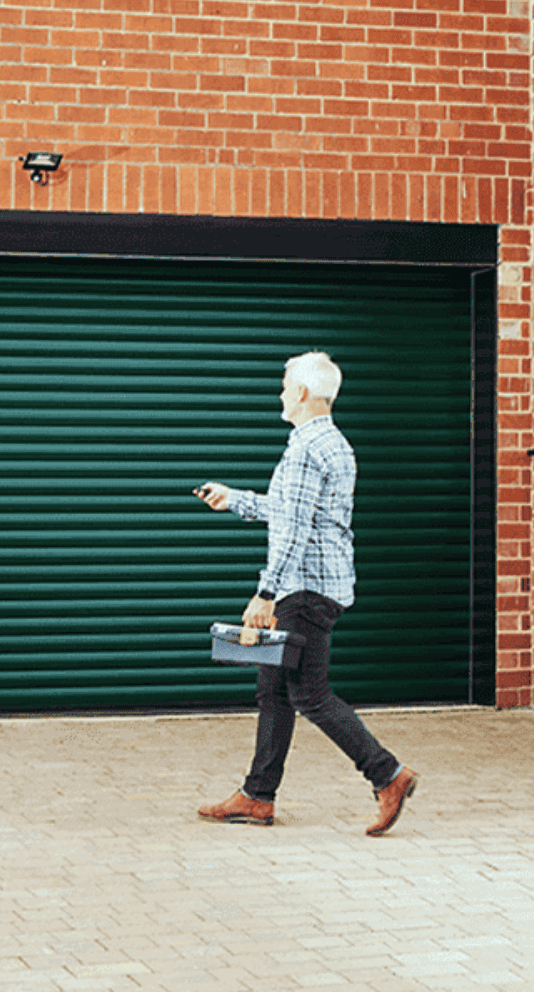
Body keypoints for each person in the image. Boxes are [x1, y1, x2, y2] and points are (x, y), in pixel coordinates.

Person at [192, 351, 418, 836]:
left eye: (282, 385)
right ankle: (257, 796)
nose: (278, 394)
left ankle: (388, 775)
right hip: (321, 585)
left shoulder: (303, 449)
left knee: (308, 693)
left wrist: (265, 593)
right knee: (273, 690)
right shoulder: (333, 444)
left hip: (303, 590)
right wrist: (235, 499)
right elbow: (294, 511)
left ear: (299, 393)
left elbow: (293, 529)